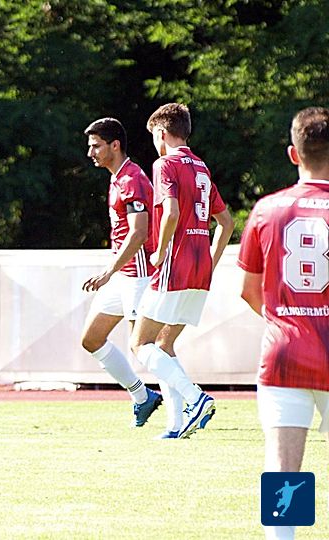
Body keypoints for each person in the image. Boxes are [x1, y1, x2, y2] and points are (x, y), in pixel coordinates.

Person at [238, 106, 329, 540]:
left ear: (294, 154)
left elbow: (248, 290)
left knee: (283, 468)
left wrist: (285, 320)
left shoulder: (267, 209)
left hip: (285, 352)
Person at [129, 103, 234, 439]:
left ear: (161, 133)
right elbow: (227, 222)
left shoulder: (165, 164)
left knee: (139, 343)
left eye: (154, 137)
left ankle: (196, 398)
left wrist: (160, 251)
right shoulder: (201, 167)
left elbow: (171, 212)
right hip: (200, 269)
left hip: (175, 264)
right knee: (163, 344)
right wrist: (211, 261)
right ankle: (175, 425)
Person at [80, 117, 162, 428]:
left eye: (96, 146)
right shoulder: (117, 177)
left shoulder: (132, 179)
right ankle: (142, 397)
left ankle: (192, 399)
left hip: (138, 275)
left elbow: (139, 233)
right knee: (91, 339)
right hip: (123, 275)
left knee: (145, 346)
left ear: (115, 145)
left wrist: (107, 271)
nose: (91, 153)